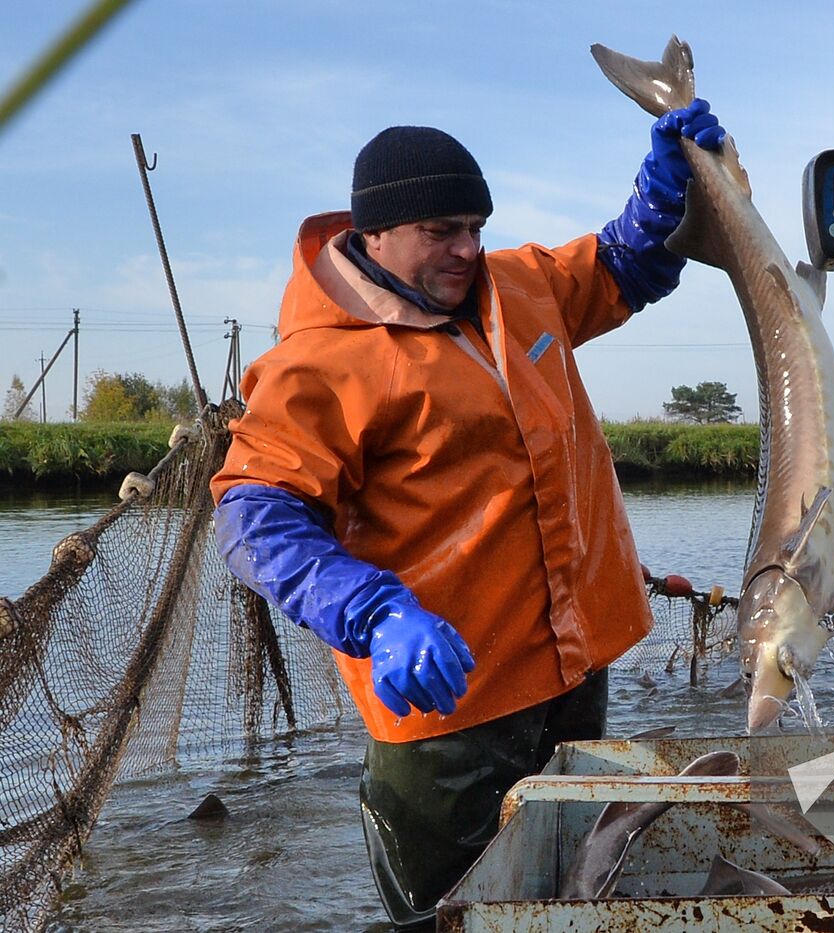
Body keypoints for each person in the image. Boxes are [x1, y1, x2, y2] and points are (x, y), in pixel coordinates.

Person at [210, 101, 726, 926]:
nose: (467, 250)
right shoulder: (319, 361)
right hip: (444, 710)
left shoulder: (518, 286)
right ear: (375, 234)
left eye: (477, 226)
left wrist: (665, 189)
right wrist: (376, 616)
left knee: (573, 891)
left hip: (571, 670)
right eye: (442, 230)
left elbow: (624, 264)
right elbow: (252, 515)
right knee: (450, 913)